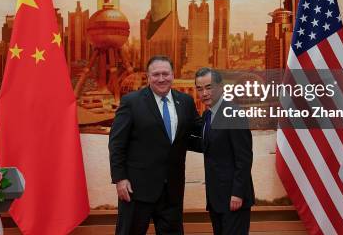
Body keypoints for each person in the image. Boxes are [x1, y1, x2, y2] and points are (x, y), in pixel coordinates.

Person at [109, 55, 201, 235]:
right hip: (136, 189)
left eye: (165, 74)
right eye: (156, 74)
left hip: (172, 191)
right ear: (148, 77)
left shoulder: (186, 102)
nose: (161, 79)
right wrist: (120, 179)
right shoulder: (131, 102)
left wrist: (227, 130)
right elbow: (117, 143)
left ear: (173, 75)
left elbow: (198, 132)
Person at [194, 67, 254, 235]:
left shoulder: (233, 113)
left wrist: (237, 194)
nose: (204, 93)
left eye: (209, 87)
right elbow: (208, 147)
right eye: (200, 89)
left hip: (234, 199)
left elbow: (244, 158)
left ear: (220, 87)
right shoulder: (207, 116)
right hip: (216, 199)